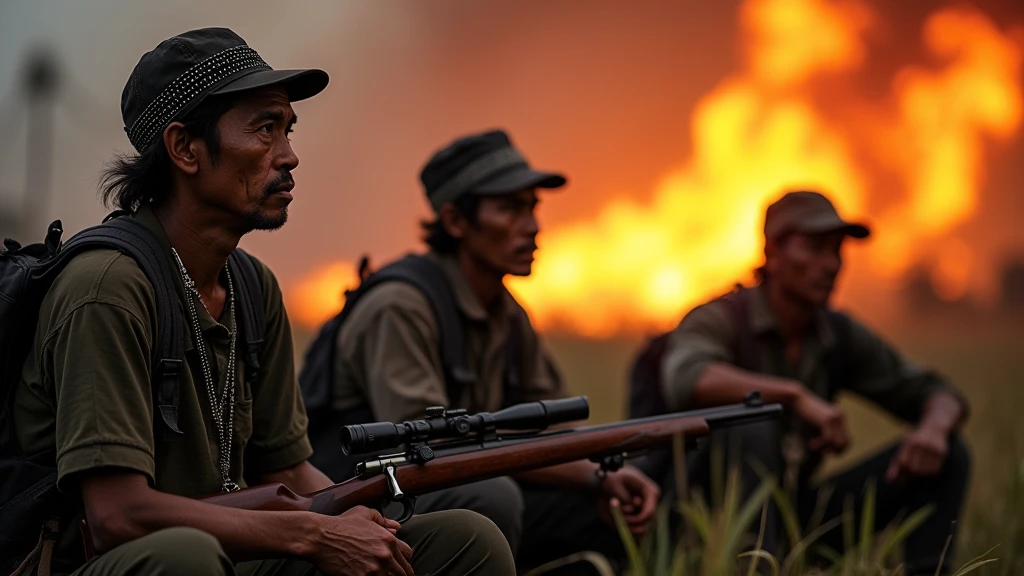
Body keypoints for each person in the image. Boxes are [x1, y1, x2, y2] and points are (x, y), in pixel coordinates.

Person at [10, 28, 514, 576]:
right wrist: (312, 534)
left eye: (288, 129)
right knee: (187, 558)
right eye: (265, 129)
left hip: (225, 549)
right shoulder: (108, 288)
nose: (290, 156)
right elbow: (116, 516)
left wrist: (362, 521)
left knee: (465, 539)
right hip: (99, 560)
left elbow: (292, 472)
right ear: (184, 149)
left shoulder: (253, 287)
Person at [317, 129, 661, 573]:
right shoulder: (399, 306)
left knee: (604, 507)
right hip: (368, 493)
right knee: (492, 495)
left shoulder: (507, 312)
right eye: (510, 208)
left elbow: (556, 427)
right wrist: (592, 474)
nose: (533, 225)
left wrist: (605, 476)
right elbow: (429, 452)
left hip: (449, 479)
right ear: (456, 221)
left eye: (532, 207)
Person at [659, 190, 971, 575]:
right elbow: (687, 377)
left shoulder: (836, 334)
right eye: (814, 248)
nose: (830, 265)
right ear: (772, 253)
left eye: (837, 251)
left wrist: (934, 431)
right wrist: (793, 395)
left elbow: (937, 393)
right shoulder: (720, 318)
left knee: (948, 455)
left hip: (792, 518)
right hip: (701, 527)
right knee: (750, 419)